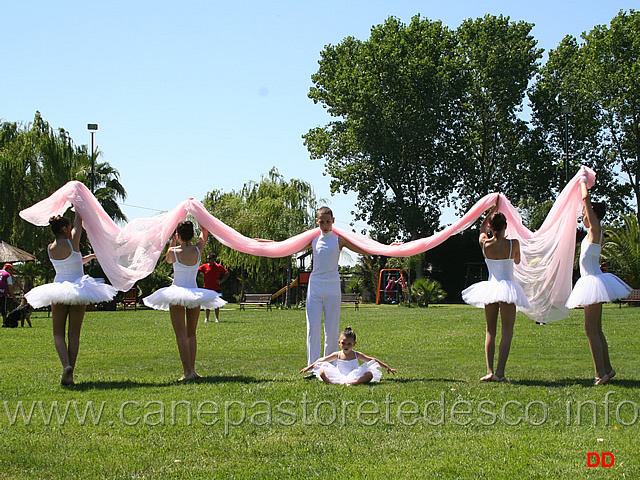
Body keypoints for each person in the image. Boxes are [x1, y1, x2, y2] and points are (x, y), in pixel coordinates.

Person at [24, 214, 117, 386]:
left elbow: (73, 262)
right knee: (74, 334)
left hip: (58, 290)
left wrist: (91, 257)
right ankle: (71, 372)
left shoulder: (50, 248)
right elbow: (79, 224)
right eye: (69, 227)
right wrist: (78, 207)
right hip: (77, 290)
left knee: (57, 333)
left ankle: (65, 366)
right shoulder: (72, 242)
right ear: (65, 229)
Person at [565, 180, 632, 385]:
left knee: (590, 329)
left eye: (585, 213)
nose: (582, 216)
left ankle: (599, 373)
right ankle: (607, 369)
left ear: (592, 214)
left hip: (592, 283)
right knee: (596, 328)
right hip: (591, 281)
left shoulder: (595, 229)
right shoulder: (590, 234)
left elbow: (585, 199)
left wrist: (582, 182)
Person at [143, 221, 226, 381]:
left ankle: (187, 372)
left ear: (178, 235)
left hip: (177, 292)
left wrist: (173, 240)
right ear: (192, 235)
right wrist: (198, 214)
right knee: (191, 334)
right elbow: (205, 231)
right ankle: (192, 370)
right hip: (195, 292)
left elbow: (167, 258)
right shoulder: (197, 249)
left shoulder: (173, 251)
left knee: (180, 334)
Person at [462, 204, 530, 383]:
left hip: (491, 287)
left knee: (490, 330)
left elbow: (482, 227)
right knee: (507, 330)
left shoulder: (484, 243)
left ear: (492, 228)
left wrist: (492, 209)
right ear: (505, 226)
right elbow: (516, 260)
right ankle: (500, 372)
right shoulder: (513, 243)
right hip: (508, 287)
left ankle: (490, 371)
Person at [300, 207, 368, 378]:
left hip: (332, 287)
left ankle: (328, 368)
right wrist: (265, 244)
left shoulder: (339, 240)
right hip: (314, 287)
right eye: (321, 221)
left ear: (333, 221)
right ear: (317, 221)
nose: (324, 225)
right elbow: (287, 247)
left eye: (327, 221)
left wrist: (386, 248)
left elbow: (363, 248)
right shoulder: (313, 239)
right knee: (312, 328)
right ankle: (313, 367)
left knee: (331, 329)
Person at [299, 326, 396, 385]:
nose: (346, 346)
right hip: (338, 375)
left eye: (349, 344)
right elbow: (321, 360)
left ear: (354, 344)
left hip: (354, 375)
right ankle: (331, 382)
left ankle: (353, 383)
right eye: (343, 343)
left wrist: (387, 367)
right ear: (339, 342)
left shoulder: (356, 354)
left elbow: (373, 360)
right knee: (322, 371)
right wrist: (308, 368)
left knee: (369, 374)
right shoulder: (337, 354)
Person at [197, 253, 229, 322]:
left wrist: (221, 280)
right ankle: (207, 318)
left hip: (216, 287)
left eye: (209, 258)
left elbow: (226, 273)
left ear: (214, 259)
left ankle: (217, 318)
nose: (208, 260)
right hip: (207, 288)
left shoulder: (219, 267)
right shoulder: (204, 266)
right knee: (207, 303)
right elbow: (197, 272)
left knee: (216, 303)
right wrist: (203, 278)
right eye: (207, 258)